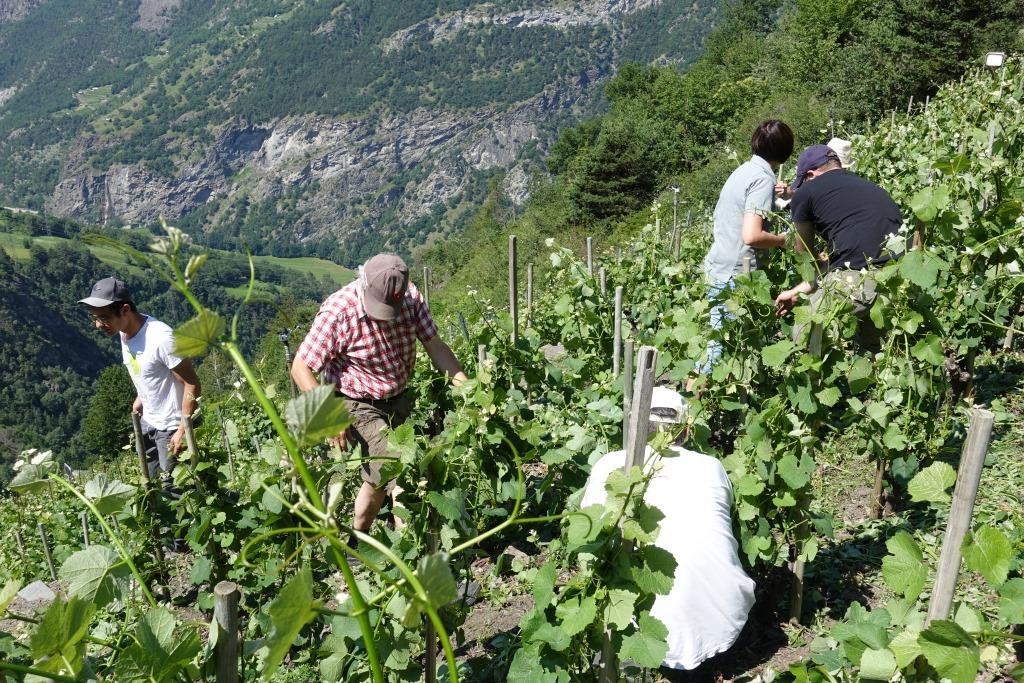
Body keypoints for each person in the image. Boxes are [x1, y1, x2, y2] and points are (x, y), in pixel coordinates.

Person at [580, 387, 755, 673]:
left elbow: (587, 537)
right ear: (686, 430)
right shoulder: (712, 466)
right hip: (722, 621)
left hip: (638, 623)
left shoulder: (610, 465)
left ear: (635, 426)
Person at [291, 253, 467, 536]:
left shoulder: (411, 298)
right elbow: (300, 368)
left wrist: (468, 389)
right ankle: (413, 556)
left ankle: (356, 539)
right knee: (401, 473)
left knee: (378, 480)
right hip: (355, 403)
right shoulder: (339, 311)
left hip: (398, 397)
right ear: (363, 284)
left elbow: (435, 346)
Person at [774, 144, 904, 352]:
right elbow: (850, 258)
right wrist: (797, 291)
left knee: (805, 331)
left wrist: (814, 265)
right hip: (898, 280)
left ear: (810, 175)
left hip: (860, 281)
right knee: (873, 352)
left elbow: (805, 257)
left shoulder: (805, 193)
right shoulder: (869, 187)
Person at [80, 277, 201, 492]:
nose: (98, 325)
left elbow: (192, 383)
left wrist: (183, 429)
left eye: (104, 318)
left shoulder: (162, 338)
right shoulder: (124, 332)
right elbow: (148, 371)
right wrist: (141, 398)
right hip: (148, 422)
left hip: (171, 426)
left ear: (125, 310)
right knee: (152, 488)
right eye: (95, 318)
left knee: (175, 491)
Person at [696, 120, 794, 381]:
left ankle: (699, 395)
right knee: (720, 350)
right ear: (785, 150)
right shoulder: (762, 179)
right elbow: (751, 235)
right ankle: (690, 401)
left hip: (721, 263)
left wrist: (786, 194)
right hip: (736, 272)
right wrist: (782, 240)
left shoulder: (744, 171)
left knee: (721, 343)